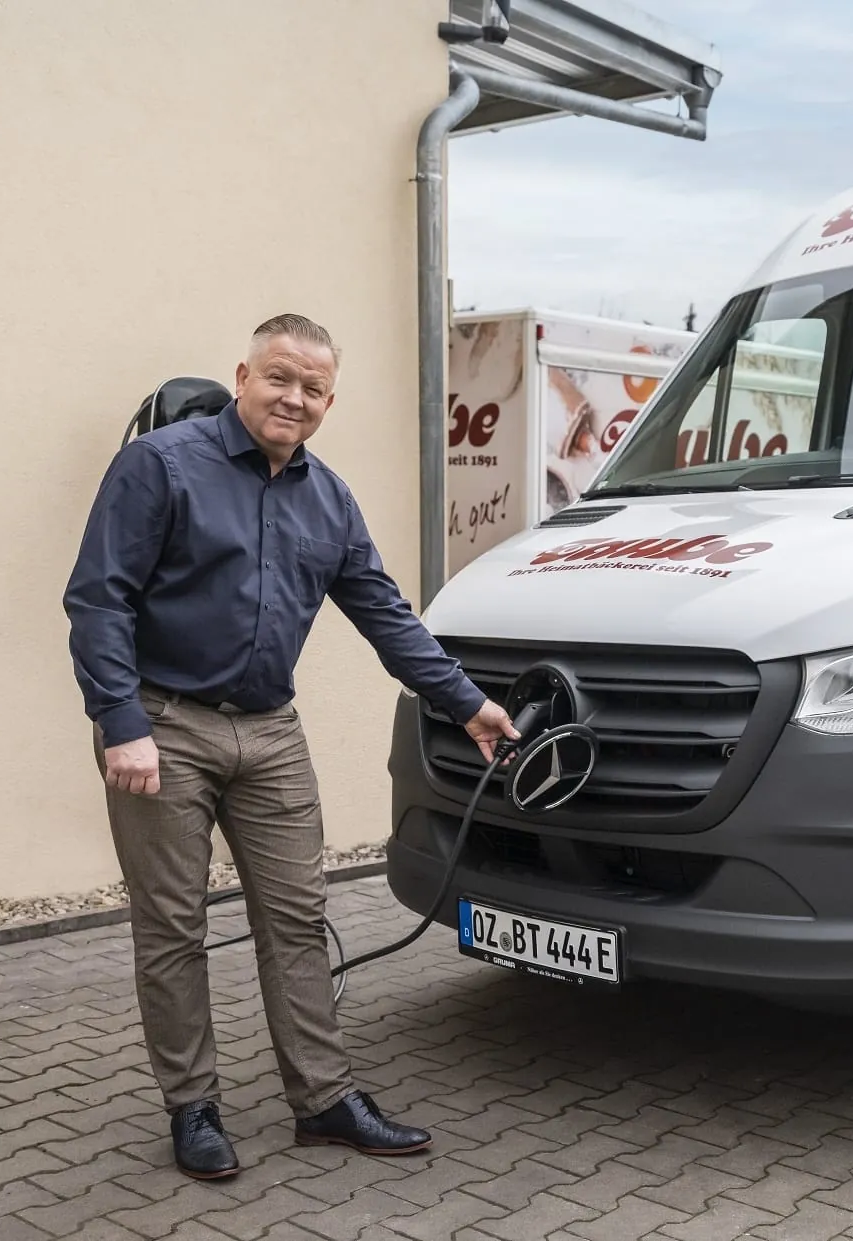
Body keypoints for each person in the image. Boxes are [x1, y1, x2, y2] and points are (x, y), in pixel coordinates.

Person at [63, 313, 519, 1180]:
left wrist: (467, 704)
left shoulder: (328, 498)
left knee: (298, 918)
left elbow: (385, 613)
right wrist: (122, 723)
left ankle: (323, 1100)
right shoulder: (161, 465)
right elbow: (99, 599)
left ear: (328, 402)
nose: (294, 398)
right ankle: (193, 1106)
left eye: (313, 388)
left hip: (270, 730)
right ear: (242, 376)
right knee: (173, 926)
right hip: (164, 723)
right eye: (279, 377)